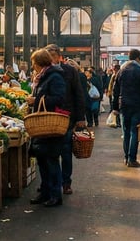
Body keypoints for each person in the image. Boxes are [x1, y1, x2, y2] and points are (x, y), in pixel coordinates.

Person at [46, 45, 87, 195]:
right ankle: (53, 182)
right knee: (51, 151)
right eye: (48, 56)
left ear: (59, 56)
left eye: (52, 56)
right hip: (49, 117)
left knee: (66, 151)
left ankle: (66, 182)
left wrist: (80, 118)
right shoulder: (43, 72)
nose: (50, 59)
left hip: (67, 117)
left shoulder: (70, 71)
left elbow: (78, 94)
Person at [27, 48, 66, 208]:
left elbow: (59, 98)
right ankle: (45, 192)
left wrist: (35, 101)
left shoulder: (54, 77)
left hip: (49, 125)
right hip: (41, 125)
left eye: (34, 63)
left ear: (39, 63)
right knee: (42, 160)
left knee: (51, 160)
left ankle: (55, 195)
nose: (33, 66)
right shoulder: (42, 77)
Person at [111, 48, 140, 167]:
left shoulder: (121, 71)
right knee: (135, 132)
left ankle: (126, 158)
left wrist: (115, 107)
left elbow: (115, 90)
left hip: (124, 106)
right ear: (138, 58)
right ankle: (132, 159)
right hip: (138, 106)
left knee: (126, 132)